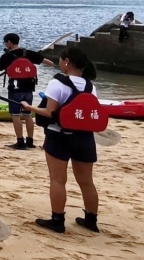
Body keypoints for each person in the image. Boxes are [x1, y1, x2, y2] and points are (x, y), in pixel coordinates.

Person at [22, 47, 101, 234]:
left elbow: (50, 112)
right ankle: (91, 220)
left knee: (58, 180)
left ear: (66, 62)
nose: (59, 62)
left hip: (59, 136)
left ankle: (57, 220)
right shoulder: (90, 86)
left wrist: (29, 107)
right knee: (87, 181)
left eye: (60, 59)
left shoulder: (56, 83)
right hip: (85, 138)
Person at [0, 33, 54, 150]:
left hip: (15, 90)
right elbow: (50, 64)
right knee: (27, 115)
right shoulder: (29, 53)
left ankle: (20, 142)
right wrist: (33, 60)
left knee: (16, 115)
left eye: (5, 43)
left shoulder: (6, 57)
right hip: (28, 89)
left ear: (9, 43)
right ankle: (30, 141)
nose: (5, 45)